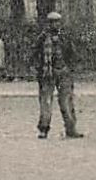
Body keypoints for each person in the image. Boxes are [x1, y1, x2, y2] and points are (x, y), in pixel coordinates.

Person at [34, 11, 81, 139]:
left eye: (57, 22)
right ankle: (44, 128)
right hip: (47, 74)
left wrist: (70, 69)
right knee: (46, 102)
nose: (55, 24)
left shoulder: (65, 37)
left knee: (66, 101)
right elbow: (35, 55)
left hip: (63, 72)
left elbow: (72, 53)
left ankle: (71, 128)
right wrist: (40, 70)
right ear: (48, 24)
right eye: (52, 22)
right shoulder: (42, 38)